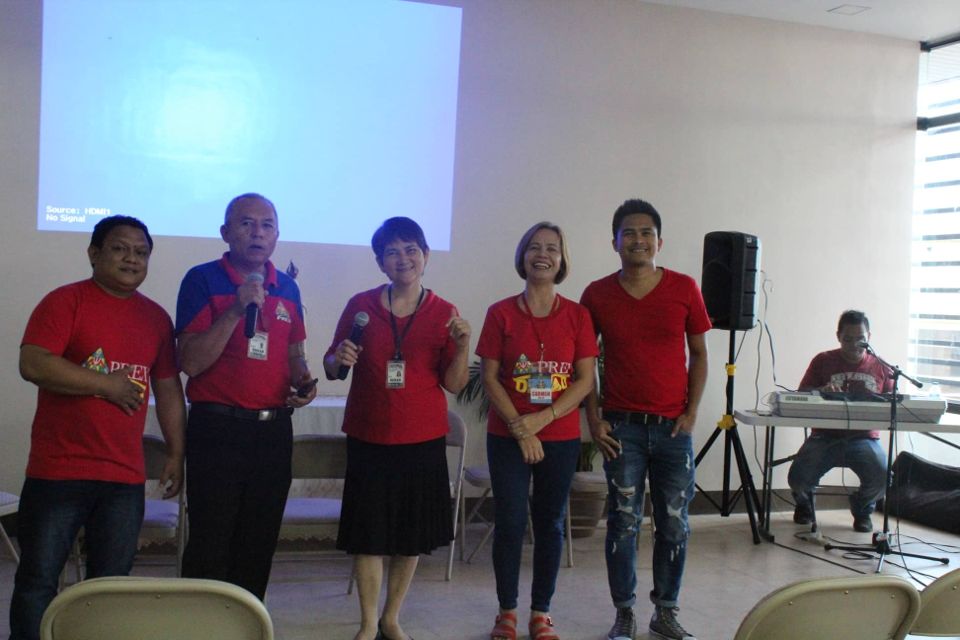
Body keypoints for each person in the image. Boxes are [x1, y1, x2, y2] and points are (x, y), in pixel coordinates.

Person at [10, 215, 185, 640]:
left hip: (123, 478)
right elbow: (33, 363)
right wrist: (106, 385)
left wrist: (177, 452)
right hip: (58, 472)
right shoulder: (65, 302)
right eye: (120, 248)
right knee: (38, 580)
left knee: (110, 585)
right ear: (94, 254)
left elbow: (167, 389)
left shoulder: (156, 319)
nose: (131, 259)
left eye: (141, 252)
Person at [324, 217, 470, 640]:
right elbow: (331, 366)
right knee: (368, 535)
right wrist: (339, 358)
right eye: (392, 251)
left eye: (410, 249)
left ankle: (392, 617)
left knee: (410, 536)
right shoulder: (360, 306)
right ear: (380, 261)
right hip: (369, 436)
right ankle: (369, 622)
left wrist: (462, 347)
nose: (402, 258)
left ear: (425, 255)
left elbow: (455, 383)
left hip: (422, 439)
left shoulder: (445, 313)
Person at [176, 193, 317, 600]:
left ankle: (246, 625)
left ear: (276, 235)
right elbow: (191, 361)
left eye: (267, 225)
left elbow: (294, 353)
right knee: (211, 541)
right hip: (218, 428)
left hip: (272, 432)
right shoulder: (201, 279)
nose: (257, 232)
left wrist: (304, 381)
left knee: (259, 541)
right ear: (225, 232)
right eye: (246, 223)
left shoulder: (287, 287)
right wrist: (237, 311)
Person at [580, 199, 710, 640]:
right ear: (614, 241)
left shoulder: (684, 287)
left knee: (674, 522)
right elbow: (584, 363)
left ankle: (666, 610)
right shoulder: (597, 294)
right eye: (629, 232)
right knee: (622, 522)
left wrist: (692, 413)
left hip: (674, 429)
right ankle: (624, 612)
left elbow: (699, 354)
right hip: (622, 429)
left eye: (646, 232)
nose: (638, 240)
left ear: (660, 241)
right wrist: (594, 420)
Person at [476, 222, 598, 640]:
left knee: (549, 524)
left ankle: (541, 612)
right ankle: (506, 611)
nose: (542, 254)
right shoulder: (501, 313)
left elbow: (584, 380)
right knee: (510, 522)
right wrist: (519, 427)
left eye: (552, 248)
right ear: (522, 256)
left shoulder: (579, 316)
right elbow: (490, 377)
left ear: (562, 260)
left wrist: (541, 421)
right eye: (533, 247)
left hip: (560, 437)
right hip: (507, 435)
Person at [787, 310, 891, 533]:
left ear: (869, 337)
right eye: (848, 339)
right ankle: (805, 504)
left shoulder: (882, 367)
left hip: (864, 437)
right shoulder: (823, 360)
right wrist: (821, 391)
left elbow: (895, 403)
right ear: (838, 336)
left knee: (883, 477)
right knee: (798, 478)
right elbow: (801, 393)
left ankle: (862, 508)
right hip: (825, 435)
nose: (854, 345)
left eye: (860, 339)